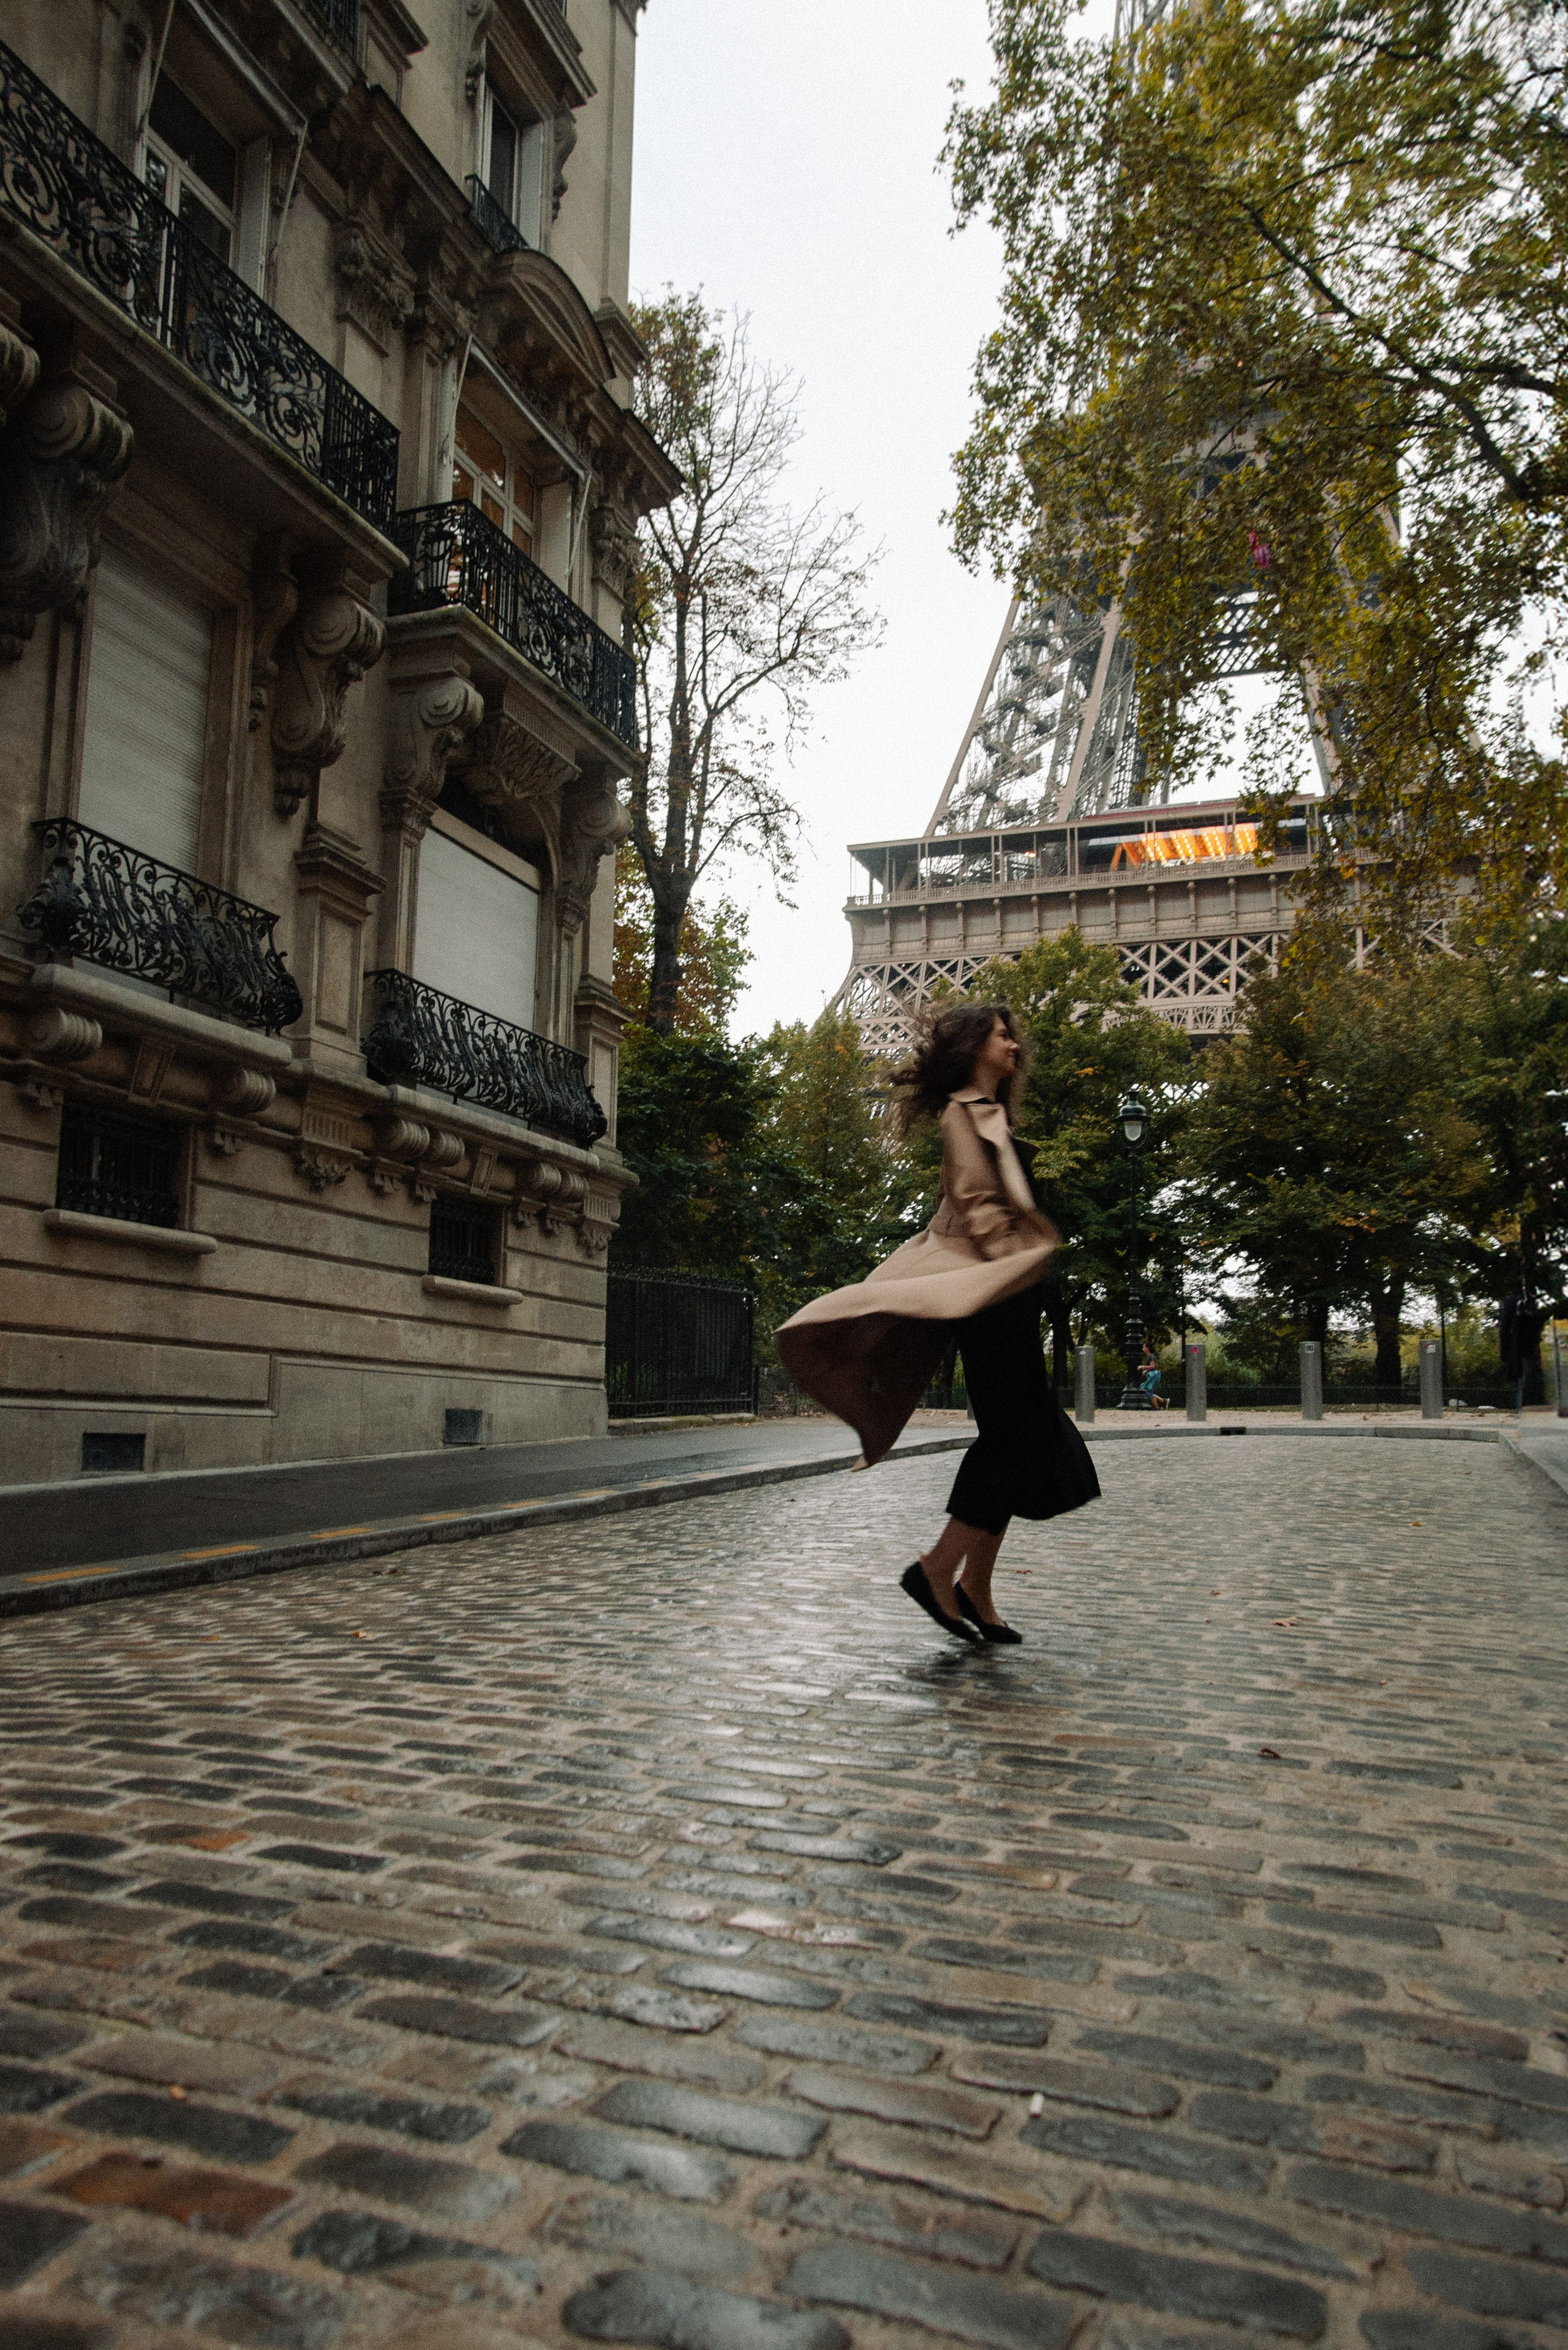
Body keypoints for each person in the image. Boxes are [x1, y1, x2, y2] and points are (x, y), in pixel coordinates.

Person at [778, 1001, 1101, 1645]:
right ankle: (936, 1570)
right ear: (975, 1045)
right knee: (1015, 1438)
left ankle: (974, 1586)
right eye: (1003, 1035)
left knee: (1022, 1437)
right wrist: (1018, 1262)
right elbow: (975, 1203)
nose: (1014, 1045)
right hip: (989, 1291)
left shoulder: (994, 1115)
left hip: (1004, 1288)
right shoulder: (964, 1112)